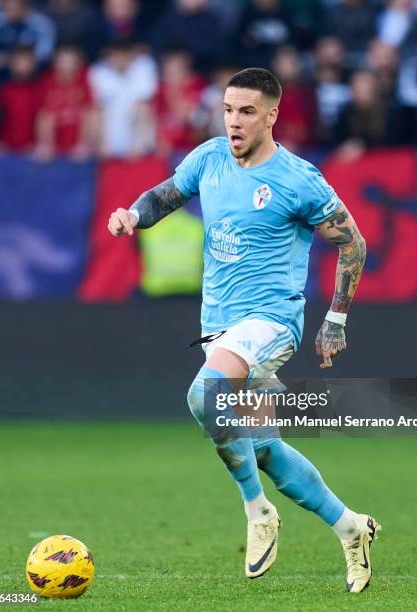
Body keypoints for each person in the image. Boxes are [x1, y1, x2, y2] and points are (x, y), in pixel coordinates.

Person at [107, 67, 380, 593]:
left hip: (271, 323)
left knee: (205, 394)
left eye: (247, 112)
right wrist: (133, 217)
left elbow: (354, 244)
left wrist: (336, 320)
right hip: (219, 328)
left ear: (272, 115)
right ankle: (351, 526)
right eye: (229, 110)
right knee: (262, 448)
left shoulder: (298, 180)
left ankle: (258, 513)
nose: (234, 121)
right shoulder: (209, 158)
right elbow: (165, 195)